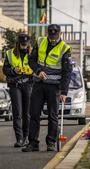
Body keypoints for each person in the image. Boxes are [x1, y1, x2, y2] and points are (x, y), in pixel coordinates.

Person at [22, 24, 72, 152]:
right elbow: (31, 59)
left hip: (54, 87)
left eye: (55, 37)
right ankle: (33, 143)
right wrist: (38, 71)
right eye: (51, 36)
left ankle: (51, 142)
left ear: (60, 34)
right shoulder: (41, 41)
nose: (53, 39)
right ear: (47, 33)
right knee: (34, 114)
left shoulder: (65, 48)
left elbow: (67, 72)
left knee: (53, 116)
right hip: (39, 84)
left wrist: (64, 91)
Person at [3, 33, 33, 147]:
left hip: (28, 85)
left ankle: (26, 138)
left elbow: (37, 67)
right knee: (17, 113)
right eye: (22, 44)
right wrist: (14, 71)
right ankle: (19, 139)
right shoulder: (10, 53)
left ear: (28, 43)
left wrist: (31, 72)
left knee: (27, 113)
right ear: (18, 43)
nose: (24, 46)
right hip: (15, 85)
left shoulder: (33, 53)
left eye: (25, 44)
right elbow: (5, 69)